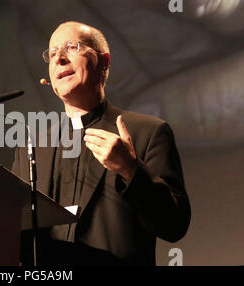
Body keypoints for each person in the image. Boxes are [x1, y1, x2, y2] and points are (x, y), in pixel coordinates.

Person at [11, 21, 191, 266]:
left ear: (104, 62)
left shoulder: (148, 132)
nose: (58, 59)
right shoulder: (32, 148)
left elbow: (175, 225)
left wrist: (131, 170)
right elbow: (11, 229)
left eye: (71, 47)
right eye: (52, 54)